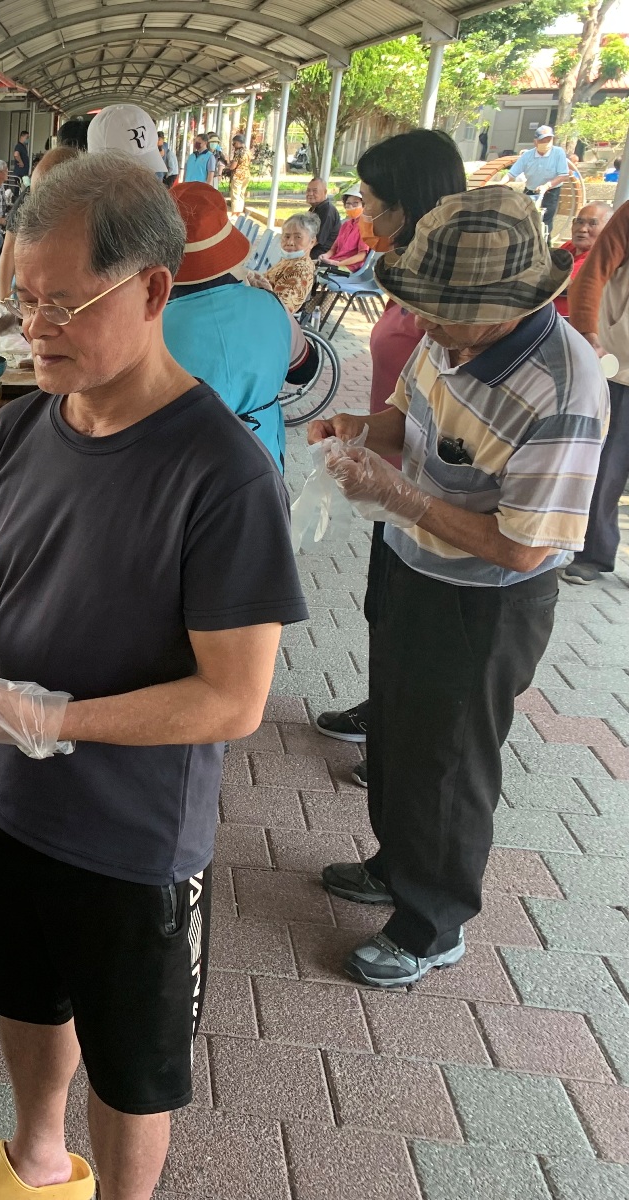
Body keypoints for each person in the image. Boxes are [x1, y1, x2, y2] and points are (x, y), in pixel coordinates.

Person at [0, 152, 307, 1200]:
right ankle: (37, 1159)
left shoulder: (221, 473)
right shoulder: (29, 419)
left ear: (152, 289)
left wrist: (53, 718)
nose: (34, 325)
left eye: (63, 302)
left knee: (133, 1064)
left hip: (128, 836)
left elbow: (233, 698)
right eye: (20, 299)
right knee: (24, 999)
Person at [308, 186, 603, 988]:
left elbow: (521, 547)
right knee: (399, 730)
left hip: (490, 601)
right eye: (421, 307)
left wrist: (403, 497)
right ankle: (395, 863)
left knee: (451, 758)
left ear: (507, 306)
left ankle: (432, 925)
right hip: (414, 563)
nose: (425, 327)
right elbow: (408, 418)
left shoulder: (563, 388)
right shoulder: (450, 338)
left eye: (443, 314)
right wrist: (354, 430)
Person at [311, 130, 467, 771]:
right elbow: (407, 401)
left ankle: (406, 745)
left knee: (424, 626)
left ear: (409, 203)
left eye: (372, 202)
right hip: (391, 471)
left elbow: (528, 543)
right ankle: (386, 713)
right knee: (386, 603)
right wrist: (359, 426)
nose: (362, 214)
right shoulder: (404, 275)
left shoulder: (451, 296)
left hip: (436, 492)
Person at [163, 183, 310, 470]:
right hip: (263, 459)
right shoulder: (270, 305)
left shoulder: (150, 325)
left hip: (184, 468)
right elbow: (305, 369)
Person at [562, 200, 629, 584]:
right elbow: (593, 274)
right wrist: (590, 334)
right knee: (607, 465)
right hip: (621, 365)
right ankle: (595, 552)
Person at [0, 147, 82, 306]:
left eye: (50, 198)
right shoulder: (27, 202)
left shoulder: (88, 215)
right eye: (37, 196)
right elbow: (8, 251)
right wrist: (4, 301)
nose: (40, 206)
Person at [504, 124, 581, 237]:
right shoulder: (527, 155)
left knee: (545, 221)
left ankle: (545, 244)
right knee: (525, 219)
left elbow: (563, 175)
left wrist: (547, 186)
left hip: (551, 191)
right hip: (530, 190)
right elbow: (511, 173)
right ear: (536, 141)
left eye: (549, 139)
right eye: (543, 140)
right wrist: (500, 183)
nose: (546, 142)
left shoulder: (558, 152)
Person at [249, 213, 319, 314]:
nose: (290, 242)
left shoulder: (300, 269)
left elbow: (279, 309)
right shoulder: (289, 260)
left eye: (298, 237)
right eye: (286, 236)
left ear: (312, 242)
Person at [554, 201, 610, 319]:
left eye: (592, 223)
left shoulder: (600, 256)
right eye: (579, 222)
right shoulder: (570, 246)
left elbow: (563, 283)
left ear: (608, 228)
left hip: (571, 322)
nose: (583, 229)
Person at [318, 185, 369, 273]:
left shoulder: (366, 226)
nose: (351, 207)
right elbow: (333, 249)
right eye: (348, 203)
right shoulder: (346, 225)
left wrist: (338, 263)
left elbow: (362, 255)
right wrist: (325, 256)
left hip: (351, 267)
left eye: (355, 203)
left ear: (364, 205)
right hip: (334, 262)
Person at [306, 177, 340, 258]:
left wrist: (298, 251)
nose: (310, 194)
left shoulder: (327, 210)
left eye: (315, 191)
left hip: (322, 254)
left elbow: (316, 240)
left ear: (324, 192)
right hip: (312, 249)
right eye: (308, 190)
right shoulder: (314, 208)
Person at [226, 133, 252, 214]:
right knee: (241, 194)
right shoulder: (248, 152)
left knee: (235, 195)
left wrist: (228, 165)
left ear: (238, 142)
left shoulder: (238, 152)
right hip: (246, 175)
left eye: (234, 143)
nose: (233, 145)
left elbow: (233, 166)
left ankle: (235, 213)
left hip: (238, 176)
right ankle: (240, 212)